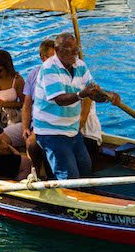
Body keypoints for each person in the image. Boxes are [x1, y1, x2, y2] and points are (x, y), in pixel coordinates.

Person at [33, 33, 120, 180]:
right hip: (51, 131)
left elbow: (92, 91)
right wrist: (82, 94)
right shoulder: (49, 68)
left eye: (76, 48)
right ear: (57, 49)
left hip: (72, 130)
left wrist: (108, 96)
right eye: (68, 49)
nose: (74, 53)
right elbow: (60, 99)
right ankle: (66, 198)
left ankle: (84, 195)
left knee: (85, 169)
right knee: (69, 177)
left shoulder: (80, 65)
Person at [21, 39, 56, 176]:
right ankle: (35, 173)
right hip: (37, 123)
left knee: (34, 141)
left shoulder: (61, 74)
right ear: (43, 58)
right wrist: (24, 127)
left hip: (53, 122)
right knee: (28, 141)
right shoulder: (33, 74)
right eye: (51, 58)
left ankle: (44, 173)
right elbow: (27, 104)